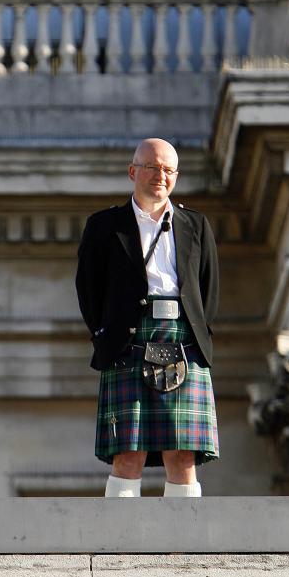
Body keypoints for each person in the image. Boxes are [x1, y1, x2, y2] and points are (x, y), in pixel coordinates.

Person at [75, 137, 219, 497]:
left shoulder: (195, 225)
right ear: (132, 171)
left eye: (168, 170)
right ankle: (119, 551)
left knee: (182, 456)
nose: (160, 176)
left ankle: (183, 552)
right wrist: (106, 333)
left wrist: (198, 333)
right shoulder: (105, 226)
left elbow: (208, 287)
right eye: (152, 167)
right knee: (128, 454)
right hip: (129, 340)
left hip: (182, 338)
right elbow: (88, 288)